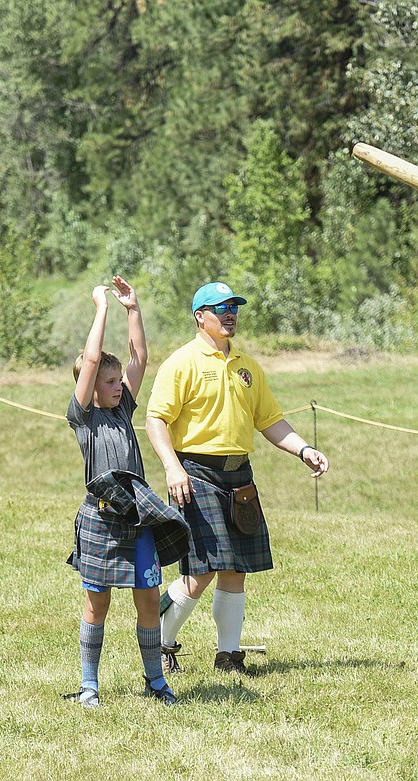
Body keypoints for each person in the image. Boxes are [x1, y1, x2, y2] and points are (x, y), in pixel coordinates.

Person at [146, 281, 329, 677]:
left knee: (236, 568)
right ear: (200, 316)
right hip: (194, 473)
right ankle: (159, 643)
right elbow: (155, 418)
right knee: (200, 572)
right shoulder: (182, 362)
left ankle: (228, 656)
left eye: (234, 307)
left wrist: (303, 449)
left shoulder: (247, 365)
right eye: (220, 308)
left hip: (238, 475)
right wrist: (172, 467)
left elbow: (270, 420)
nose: (230, 314)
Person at [64, 276, 183, 707]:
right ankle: (89, 686)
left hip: (139, 520)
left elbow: (140, 356)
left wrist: (133, 308)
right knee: (97, 607)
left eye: (120, 381)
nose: (119, 386)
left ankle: (156, 682)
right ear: (92, 386)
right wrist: (101, 308)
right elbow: (92, 358)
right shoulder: (83, 416)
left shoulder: (124, 409)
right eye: (110, 381)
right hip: (100, 520)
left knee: (148, 601)